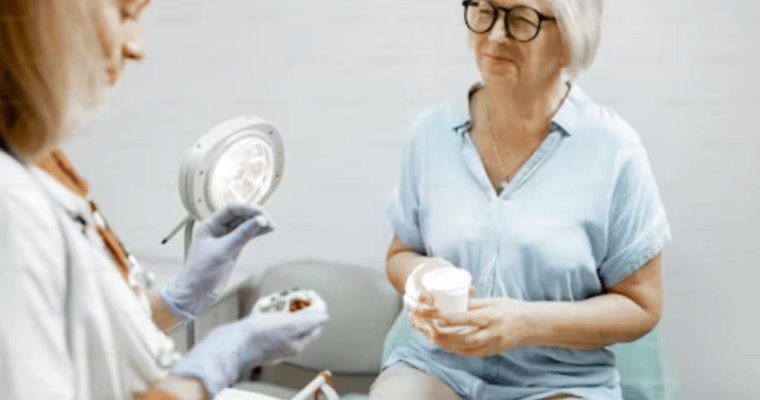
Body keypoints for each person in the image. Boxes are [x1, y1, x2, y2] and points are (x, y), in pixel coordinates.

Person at [0, 0, 328, 399]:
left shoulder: (41, 169)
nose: (137, 47)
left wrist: (177, 298)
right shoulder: (11, 204)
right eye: (125, 14)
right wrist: (218, 363)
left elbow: (86, 344)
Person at [370, 0, 671, 399]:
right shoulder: (430, 134)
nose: (495, 35)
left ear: (569, 40)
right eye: (484, 11)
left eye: (521, 19)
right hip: (437, 366)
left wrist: (526, 322)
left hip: (559, 383)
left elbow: (641, 307)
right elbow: (400, 253)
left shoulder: (615, 149)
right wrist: (420, 276)